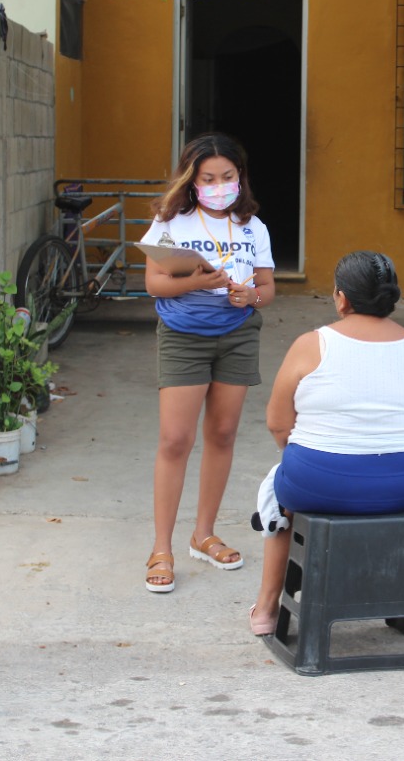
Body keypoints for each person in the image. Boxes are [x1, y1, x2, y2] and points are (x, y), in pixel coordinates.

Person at [248, 251, 404, 634]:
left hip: (319, 481)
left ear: (342, 298)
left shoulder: (313, 344)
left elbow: (277, 423)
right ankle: (402, 605)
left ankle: (267, 611)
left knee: (278, 493)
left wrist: (317, 461)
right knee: (366, 485)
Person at [140, 132, 275, 593]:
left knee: (221, 434)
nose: (219, 185)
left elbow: (268, 290)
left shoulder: (254, 228)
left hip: (237, 335)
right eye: (209, 178)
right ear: (192, 181)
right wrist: (198, 283)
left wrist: (249, 295)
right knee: (175, 439)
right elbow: (155, 285)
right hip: (182, 336)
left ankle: (204, 533)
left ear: (241, 177)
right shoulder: (170, 222)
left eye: (228, 176)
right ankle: (162, 547)